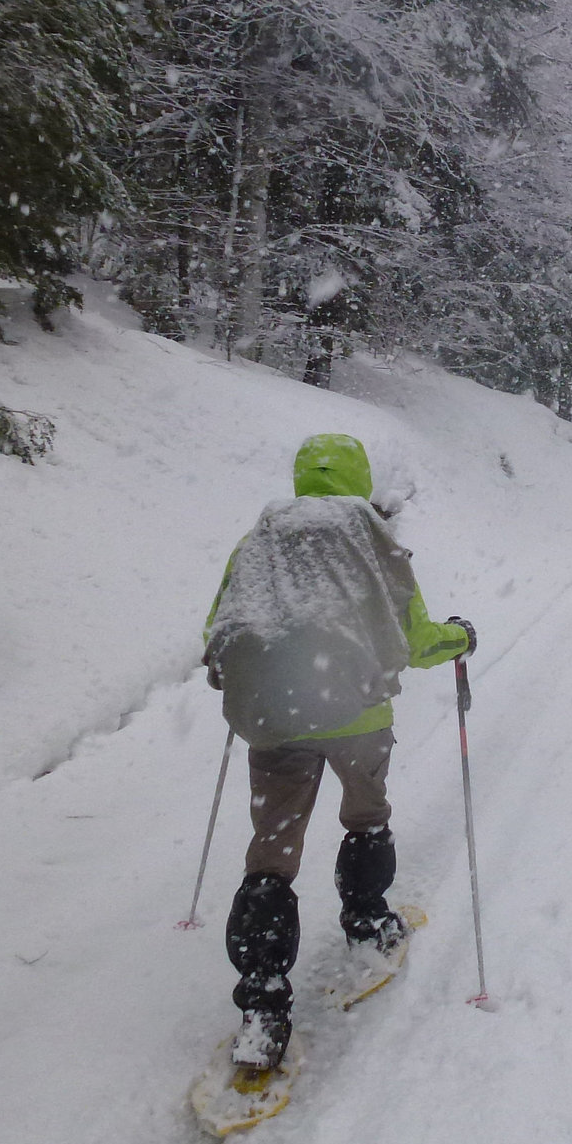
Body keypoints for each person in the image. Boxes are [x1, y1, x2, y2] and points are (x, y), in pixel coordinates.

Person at [202, 433, 474, 1072]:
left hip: (274, 720)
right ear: (359, 477)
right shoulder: (368, 536)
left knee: (271, 855)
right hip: (357, 714)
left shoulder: (258, 540)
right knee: (366, 815)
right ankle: (367, 923)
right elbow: (412, 637)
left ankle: (263, 1010)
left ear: (300, 478)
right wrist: (457, 639)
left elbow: (219, 628)